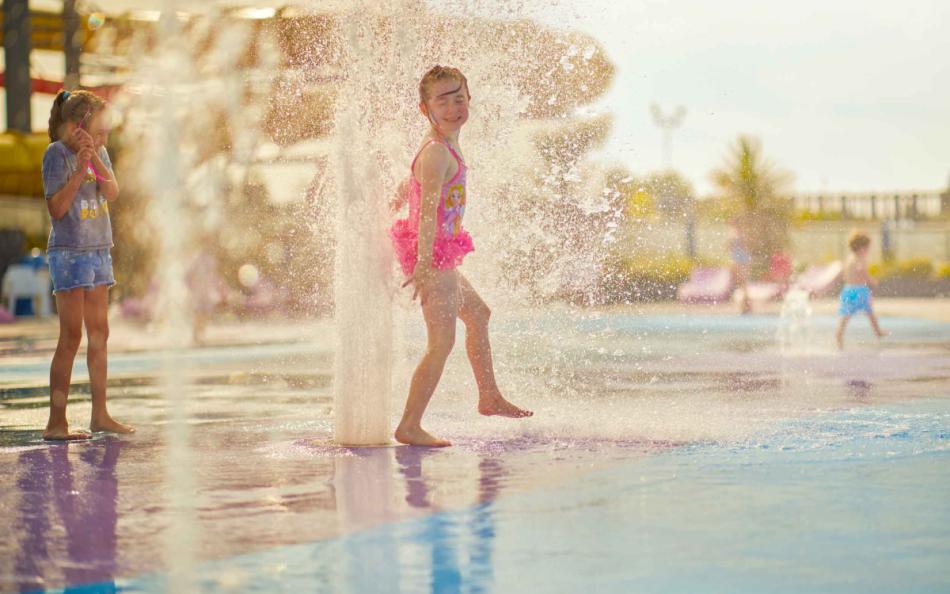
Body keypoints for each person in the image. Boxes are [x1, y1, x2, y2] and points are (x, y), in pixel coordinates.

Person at [390, 65, 532, 447]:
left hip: (439, 254)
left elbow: (411, 188)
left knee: (479, 314)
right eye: (443, 101)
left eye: (459, 97)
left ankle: (489, 396)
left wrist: (391, 201)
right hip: (432, 258)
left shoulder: (445, 143)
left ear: (469, 99)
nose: (453, 107)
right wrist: (421, 264)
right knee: (441, 343)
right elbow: (425, 209)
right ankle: (409, 424)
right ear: (426, 109)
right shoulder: (436, 152)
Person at [41, 89, 133, 440]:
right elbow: (57, 209)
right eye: (98, 132)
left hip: (98, 250)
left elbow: (112, 193)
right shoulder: (56, 154)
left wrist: (94, 159)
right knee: (71, 336)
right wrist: (80, 170)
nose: (104, 138)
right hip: (69, 253)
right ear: (77, 126)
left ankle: (100, 415)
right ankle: (56, 422)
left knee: (100, 334)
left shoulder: (101, 153)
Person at [836, 229, 887, 349]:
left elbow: (844, 273)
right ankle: (878, 331)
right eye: (868, 248)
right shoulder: (861, 259)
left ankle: (839, 333)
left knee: (846, 314)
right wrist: (871, 280)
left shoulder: (849, 258)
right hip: (859, 290)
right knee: (870, 312)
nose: (868, 251)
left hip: (848, 289)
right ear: (862, 248)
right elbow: (861, 270)